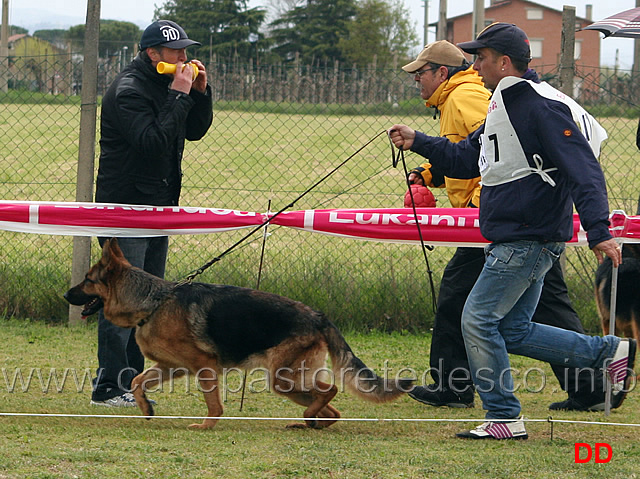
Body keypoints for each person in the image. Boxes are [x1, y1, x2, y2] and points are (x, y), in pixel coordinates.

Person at [389, 22, 636, 439]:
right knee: (511, 329)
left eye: (481, 58)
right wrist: (420, 141)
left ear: (504, 62)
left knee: (478, 319)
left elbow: (583, 168)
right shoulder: (504, 103)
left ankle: (504, 416)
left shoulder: (539, 106)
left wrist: (599, 230)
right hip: (520, 237)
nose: (475, 64)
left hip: (527, 237)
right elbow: (468, 158)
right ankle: (606, 352)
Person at [90, 20, 213, 407]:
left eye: (185, 51)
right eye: (176, 52)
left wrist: (199, 93)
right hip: (125, 207)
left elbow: (193, 131)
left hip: (158, 207)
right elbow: (152, 143)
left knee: (148, 300)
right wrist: (178, 93)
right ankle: (108, 387)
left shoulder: (165, 84)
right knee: (123, 298)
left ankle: (130, 383)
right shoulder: (128, 91)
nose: (184, 58)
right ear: (152, 54)